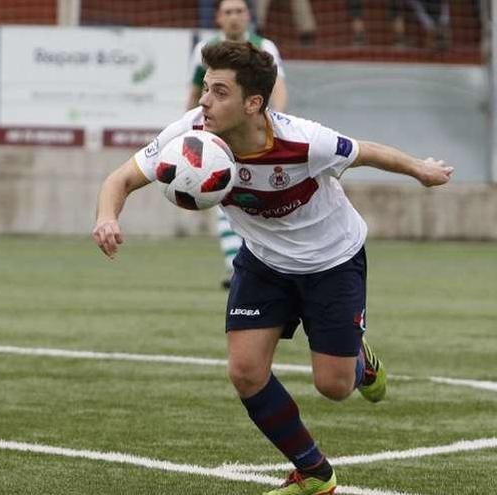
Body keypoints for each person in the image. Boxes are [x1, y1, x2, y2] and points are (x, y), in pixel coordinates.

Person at [93, 41, 452, 495]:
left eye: (219, 92)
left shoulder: (303, 140)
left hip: (332, 262)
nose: (204, 101)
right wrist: (107, 216)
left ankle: (360, 363)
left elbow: (366, 151)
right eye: (205, 88)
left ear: (253, 103)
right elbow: (120, 179)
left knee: (335, 386)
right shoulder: (191, 138)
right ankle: (315, 474)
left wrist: (421, 169)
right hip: (263, 264)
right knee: (244, 371)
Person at [187, 0, 287, 289]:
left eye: (239, 11)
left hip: (257, 134)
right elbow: (194, 91)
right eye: (228, 12)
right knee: (222, 192)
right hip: (219, 134)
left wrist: (272, 123)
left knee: (262, 197)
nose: (234, 17)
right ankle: (235, 267)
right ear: (218, 17)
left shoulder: (265, 47)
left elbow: (279, 89)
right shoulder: (205, 50)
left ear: (248, 17)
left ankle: (268, 263)